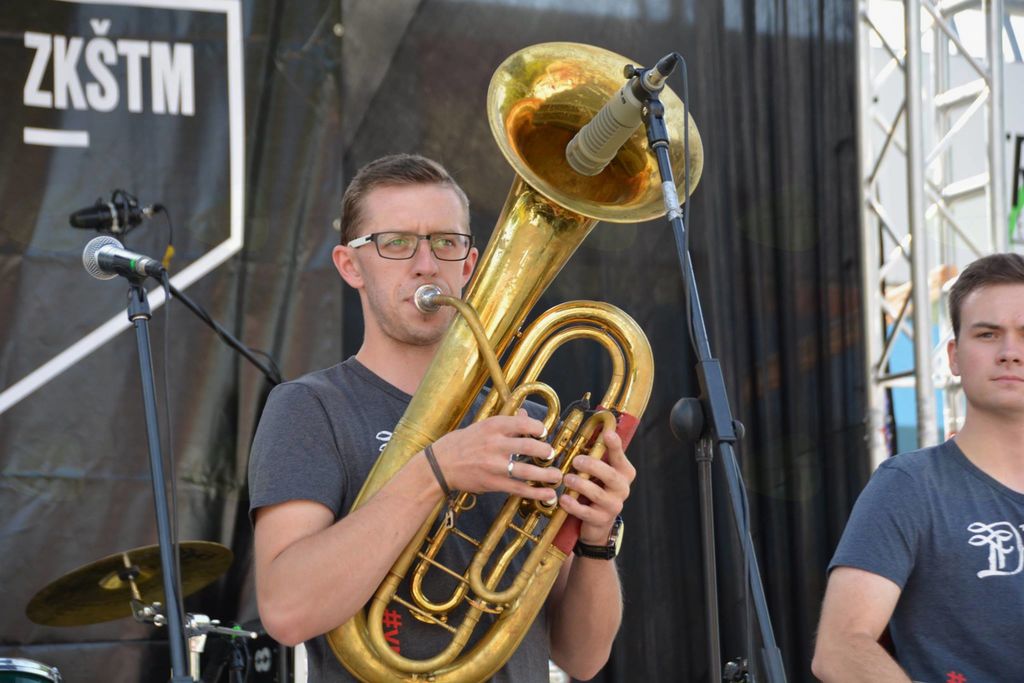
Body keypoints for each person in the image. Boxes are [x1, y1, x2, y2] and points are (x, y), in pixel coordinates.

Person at [248, 154, 634, 682]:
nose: (426, 264)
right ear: (350, 265)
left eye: (445, 242)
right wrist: (436, 472)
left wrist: (596, 537)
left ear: (469, 265)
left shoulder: (527, 419)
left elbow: (582, 657)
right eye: (396, 243)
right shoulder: (309, 408)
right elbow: (287, 611)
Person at [812, 252, 1024, 682]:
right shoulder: (910, 486)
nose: (1009, 353)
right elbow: (839, 649)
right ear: (954, 357)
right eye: (987, 334)